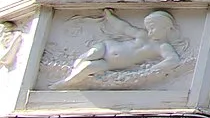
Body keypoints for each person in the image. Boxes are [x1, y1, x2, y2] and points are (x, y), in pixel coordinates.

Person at [53, 9, 183, 89]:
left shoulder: (162, 47)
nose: (150, 31)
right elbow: (124, 28)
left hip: (109, 64)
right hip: (106, 47)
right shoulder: (142, 35)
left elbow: (173, 60)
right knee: (89, 55)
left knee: (88, 68)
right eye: (149, 28)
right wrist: (110, 18)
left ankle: (68, 81)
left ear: (166, 27)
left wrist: (153, 69)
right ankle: (72, 71)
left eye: (153, 28)